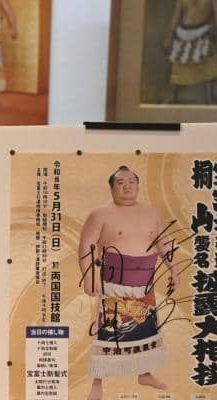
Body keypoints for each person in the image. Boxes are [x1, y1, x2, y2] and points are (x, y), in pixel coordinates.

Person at [77, 166, 178, 400]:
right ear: (111, 188)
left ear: (138, 185)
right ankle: (97, 383)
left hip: (145, 283)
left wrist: (174, 270)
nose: (127, 186)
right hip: (114, 284)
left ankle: (145, 373)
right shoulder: (100, 214)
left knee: (145, 328)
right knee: (109, 332)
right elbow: (86, 248)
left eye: (131, 182)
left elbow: (164, 243)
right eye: (121, 183)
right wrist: (89, 276)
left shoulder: (152, 213)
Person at [163, 0, 217, 104]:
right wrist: (169, 37)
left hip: (203, 31)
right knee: (177, 67)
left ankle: (210, 98)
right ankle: (173, 96)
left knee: (209, 64)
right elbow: (176, 17)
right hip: (183, 32)